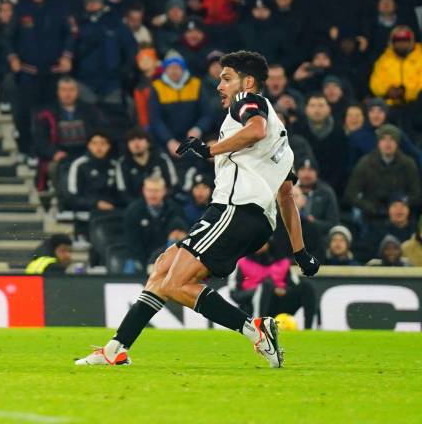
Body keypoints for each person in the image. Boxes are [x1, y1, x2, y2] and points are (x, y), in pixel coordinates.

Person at [75, 50, 320, 368]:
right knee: (164, 267)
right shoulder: (283, 144)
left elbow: (255, 129)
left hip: (236, 209)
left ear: (247, 82)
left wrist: (208, 149)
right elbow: (286, 197)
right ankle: (116, 348)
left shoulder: (249, 100)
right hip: (251, 217)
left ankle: (255, 331)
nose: (219, 85)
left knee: (176, 283)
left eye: (226, 78)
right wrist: (300, 253)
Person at [6, 0, 74, 159]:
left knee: (51, 114)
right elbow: (7, 37)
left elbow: (71, 33)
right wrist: (12, 57)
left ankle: (49, 151)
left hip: (53, 72)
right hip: (28, 72)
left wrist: (67, 55)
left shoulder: (59, 6)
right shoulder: (21, 8)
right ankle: (26, 149)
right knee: (24, 113)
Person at [33, 76, 101, 192]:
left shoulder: (90, 110)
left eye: (71, 90)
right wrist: (53, 153)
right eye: (63, 90)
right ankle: (62, 199)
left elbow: (99, 132)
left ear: (77, 92)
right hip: (60, 154)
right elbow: (40, 140)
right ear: (58, 92)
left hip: (85, 153)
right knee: (54, 168)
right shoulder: (46, 113)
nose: (67, 93)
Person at [229, 241, 317, 329]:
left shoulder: (283, 262)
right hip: (251, 307)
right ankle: (259, 327)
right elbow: (234, 294)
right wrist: (260, 290)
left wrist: (284, 290)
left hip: (280, 304)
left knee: (306, 286)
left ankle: (309, 329)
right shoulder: (241, 263)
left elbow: (294, 285)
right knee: (266, 285)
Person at [345, 124, 421, 220]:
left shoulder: (408, 164)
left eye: (392, 140)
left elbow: (416, 194)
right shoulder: (365, 163)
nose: (387, 143)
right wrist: (372, 207)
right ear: (378, 143)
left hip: (401, 217)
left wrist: (401, 204)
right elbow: (351, 194)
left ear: (397, 143)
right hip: (372, 216)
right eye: (384, 139)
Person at [148, 50, 211, 158]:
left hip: (195, 138)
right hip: (167, 142)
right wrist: (169, 140)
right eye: (170, 68)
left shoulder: (196, 84)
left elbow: (207, 113)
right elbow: (155, 119)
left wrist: (198, 128)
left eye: (177, 67)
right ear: (165, 70)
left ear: (183, 68)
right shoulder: (157, 87)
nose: (174, 71)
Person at [123, 176, 185, 270]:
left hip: (167, 257)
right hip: (140, 258)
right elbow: (132, 243)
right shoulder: (133, 211)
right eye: (149, 190)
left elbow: (180, 239)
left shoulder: (175, 210)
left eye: (156, 190)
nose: (152, 194)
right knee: (131, 264)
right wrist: (147, 265)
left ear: (164, 191)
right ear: (144, 191)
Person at [115, 126, 178, 207]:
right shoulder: (122, 163)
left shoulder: (162, 159)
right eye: (132, 140)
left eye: (140, 139)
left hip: (164, 205)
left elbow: (173, 185)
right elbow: (123, 192)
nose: (136, 143)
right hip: (135, 208)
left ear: (148, 142)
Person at [63, 130, 119, 213]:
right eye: (94, 143)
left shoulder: (115, 165)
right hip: (86, 211)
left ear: (109, 146)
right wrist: (96, 203)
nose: (99, 147)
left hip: (112, 211)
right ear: (89, 145)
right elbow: (72, 197)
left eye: (103, 143)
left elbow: (122, 193)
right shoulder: (79, 165)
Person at [370, 25, 422, 105]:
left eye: (405, 39)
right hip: (389, 104)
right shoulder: (384, 59)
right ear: (392, 42)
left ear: (411, 41)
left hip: (417, 104)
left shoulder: (420, 57)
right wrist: (387, 91)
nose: (401, 43)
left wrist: (405, 92)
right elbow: (375, 83)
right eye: (397, 40)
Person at [296, 157, 340, 237]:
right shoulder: (288, 191)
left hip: (318, 239)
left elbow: (334, 224)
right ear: (297, 172)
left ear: (317, 173)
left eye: (310, 170)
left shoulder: (326, 192)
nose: (306, 174)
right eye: (302, 169)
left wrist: (314, 223)